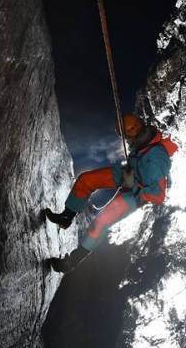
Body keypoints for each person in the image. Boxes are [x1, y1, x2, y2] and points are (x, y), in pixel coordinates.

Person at [44, 113, 178, 273]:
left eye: (132, 130)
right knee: (86, 180)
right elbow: (139, 162)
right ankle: (66, 217)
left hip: (138, 193)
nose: (131, 135)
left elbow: (158, 195)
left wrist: (136, 186)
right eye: (127, 133)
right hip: (130, 173)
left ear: (139, 125)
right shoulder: (143, 143)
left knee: (101, 221)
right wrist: (130, 174)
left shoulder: (157, 156)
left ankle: (71, 262)